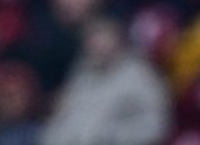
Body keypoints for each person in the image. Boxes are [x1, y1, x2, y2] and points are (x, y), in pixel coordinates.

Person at [40, 16, 171, 145]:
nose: (98, 45)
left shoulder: (140, 76)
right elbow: (59, 123)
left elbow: (156, 126)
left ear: (118, 41)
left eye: (103, 39)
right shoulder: (81, 75)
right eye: (93, 40)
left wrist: (109, 137)